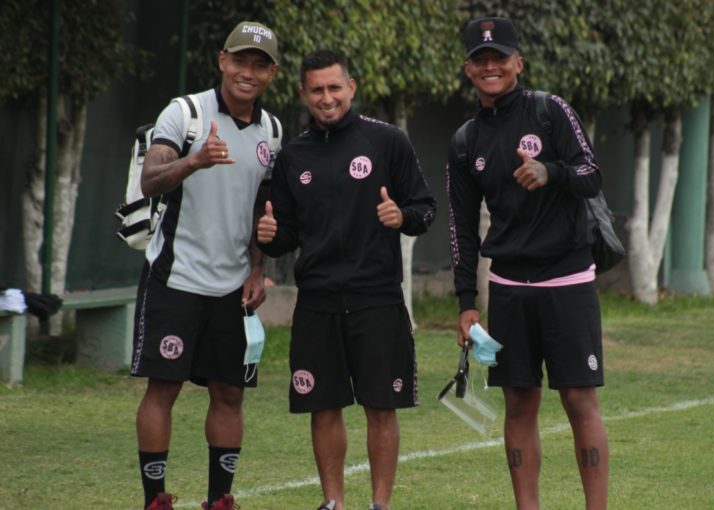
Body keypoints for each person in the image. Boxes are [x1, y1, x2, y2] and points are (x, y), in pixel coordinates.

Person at [257, 49, 436, 510]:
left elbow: (425, 208)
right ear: (302, 94)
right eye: (316, 89)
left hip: (376, 298)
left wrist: (402, 215)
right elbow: (285, 237)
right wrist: (271, 237)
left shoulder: (387, 141)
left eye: (335, 87)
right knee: (323, 405)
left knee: (381, 406)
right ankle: (332, 502)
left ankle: (380, 505)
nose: (327, 97)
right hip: (317, 301)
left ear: (351, 88)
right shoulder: (293, 155)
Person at [446, 17, 609, 510]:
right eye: (481, 59)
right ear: (469, 69)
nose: (490, 66)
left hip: (568, 280)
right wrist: (467, 303)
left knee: (579, 400)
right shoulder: (465, 139)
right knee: (518, 403)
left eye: (500, 57)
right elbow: (461, 226)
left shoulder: (549, 111)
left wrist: (551, 170)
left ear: (519, 62)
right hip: (510, 287)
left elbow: (591, 173)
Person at [131, 20, 281, 510]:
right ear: (222, 60)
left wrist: (258, 270)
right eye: (239, 60)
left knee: (230, 393)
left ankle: (220, 500)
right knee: (164, 388)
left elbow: (264, 209)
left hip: (233, 286)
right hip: (176, 278)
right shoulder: (186, 112)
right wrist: (193, 161)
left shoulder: (273, 131)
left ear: (272, 73)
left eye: (259, 65)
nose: (247, 72)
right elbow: (152, 178)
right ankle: (156, 499)